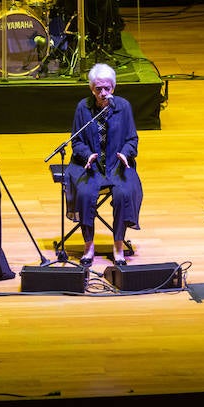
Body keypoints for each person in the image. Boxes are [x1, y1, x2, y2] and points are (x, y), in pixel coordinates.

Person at [64, 63, 142, 266]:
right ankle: (88, 245)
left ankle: (118, 245)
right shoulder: (83, 107)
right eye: (98, 88)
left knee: (124, 194)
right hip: (89, 165)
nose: (103, 93)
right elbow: (76, 140)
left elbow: (132, 139)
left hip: (117, 164)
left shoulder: (123, 107)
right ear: (92, 88)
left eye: (107, 88)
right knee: (85, 194)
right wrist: (87, 154)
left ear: (113, 88)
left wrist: (126, 154)